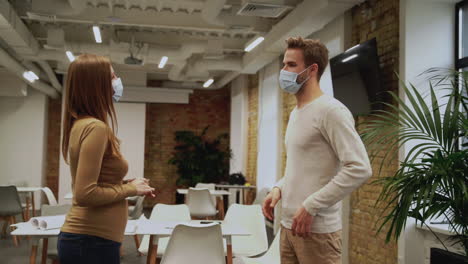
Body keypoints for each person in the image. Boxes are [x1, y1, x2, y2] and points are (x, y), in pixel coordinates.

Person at [262, 37, 372, 264]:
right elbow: (302, 166)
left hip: (318, 232)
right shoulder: (296, 113)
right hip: (288, 227)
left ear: (312, 70)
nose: (284, 70)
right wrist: (278, 188)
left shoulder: (331, 111)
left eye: (291, 65)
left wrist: (312, 205)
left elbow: (360, 168)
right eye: (284, 64)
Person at [58, 54, 155, 264]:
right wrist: (131, 190)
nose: (117, 81)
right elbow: (85, 194)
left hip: (92, 240)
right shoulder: (95, 128)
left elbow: (95, 183)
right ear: (97, 85)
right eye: (112, 77)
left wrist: (124, 184)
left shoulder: (82, 123)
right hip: (91, 241)